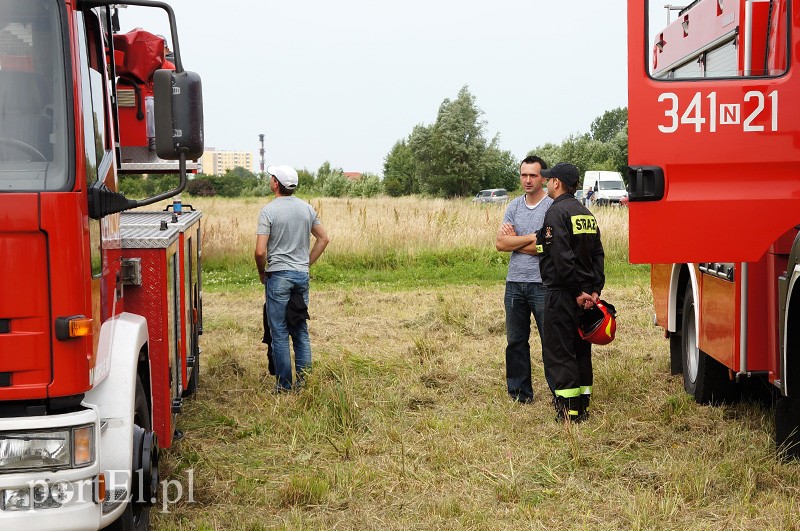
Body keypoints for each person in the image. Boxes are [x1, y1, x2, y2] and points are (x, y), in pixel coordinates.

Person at [536, 162, 605, 422]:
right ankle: (582, 407)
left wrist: (577, 290)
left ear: (557, 183)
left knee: (560, 351)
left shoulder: (556, 213)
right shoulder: (585, 213)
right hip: (585, 296)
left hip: (563, 293)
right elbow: (598, 254)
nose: (546, 182)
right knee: (581, 350)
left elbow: (561, 257)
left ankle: (568, 412)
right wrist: (594, 289)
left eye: (548, 179)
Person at [255, 165, 330, 391]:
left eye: (272, 177)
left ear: (276, 183)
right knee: (300, 329)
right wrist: (305, 263)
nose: (270, 180)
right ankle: (305, 384)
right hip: (301, 276)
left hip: (278, 276)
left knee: (279, 332)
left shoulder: (268, 211)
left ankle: (285, 386)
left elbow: (260, 251)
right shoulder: (307, 209)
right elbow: (323, 239)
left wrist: (261, 271)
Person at [495, 155, 554, 403]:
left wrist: (516, 241)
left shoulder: (551, 207)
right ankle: (520, 393)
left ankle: (558, 392)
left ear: (543, 178)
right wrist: (531, 237)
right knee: (515, 341)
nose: (528, 180)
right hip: (514, 284)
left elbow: (548, 247)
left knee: (549, 340)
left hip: (541, 283)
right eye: (523, 175)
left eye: (533, 175)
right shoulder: (514, 207)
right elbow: (500, 243)